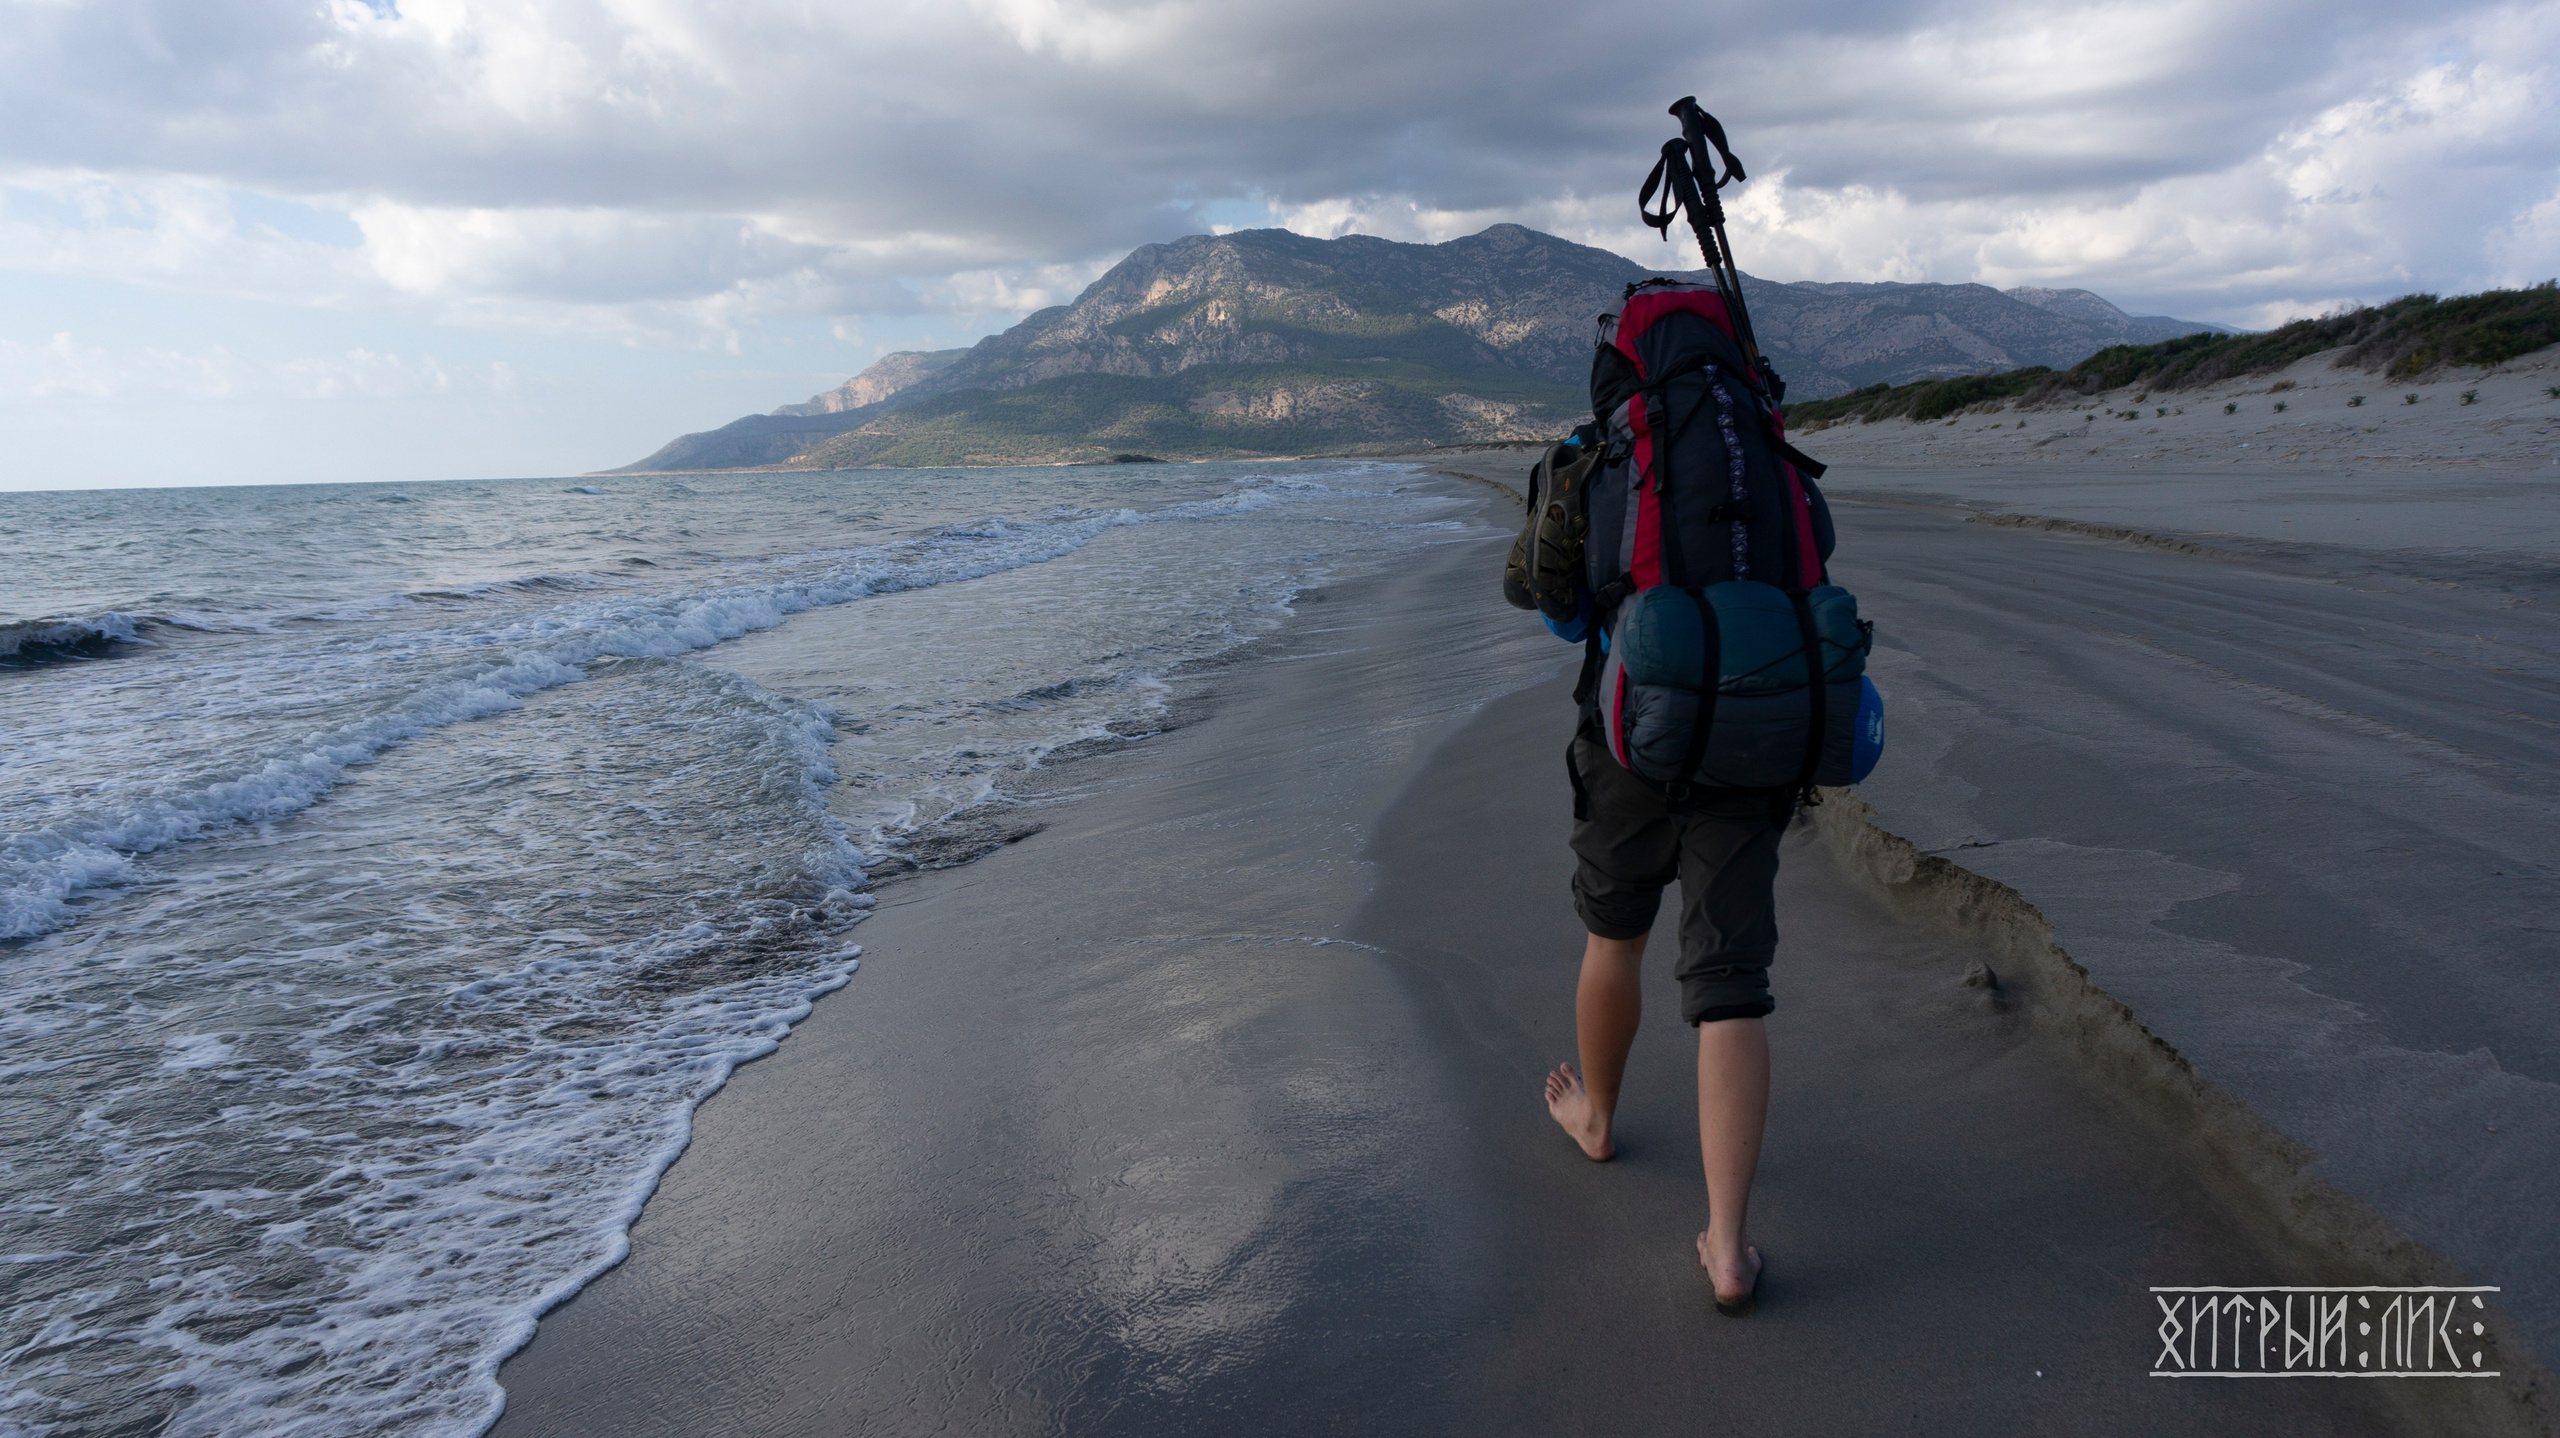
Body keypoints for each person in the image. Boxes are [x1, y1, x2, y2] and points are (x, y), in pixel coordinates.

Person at [1539, 595, 1787, 1319]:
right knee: (1732, 983)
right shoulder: (1777, 473)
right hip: (1752, 729)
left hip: (1629, 722)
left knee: (1615, 937)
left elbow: (1554, 604)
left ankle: (1598, 1120)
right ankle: (1731, 1253)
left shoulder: (1600, 470)